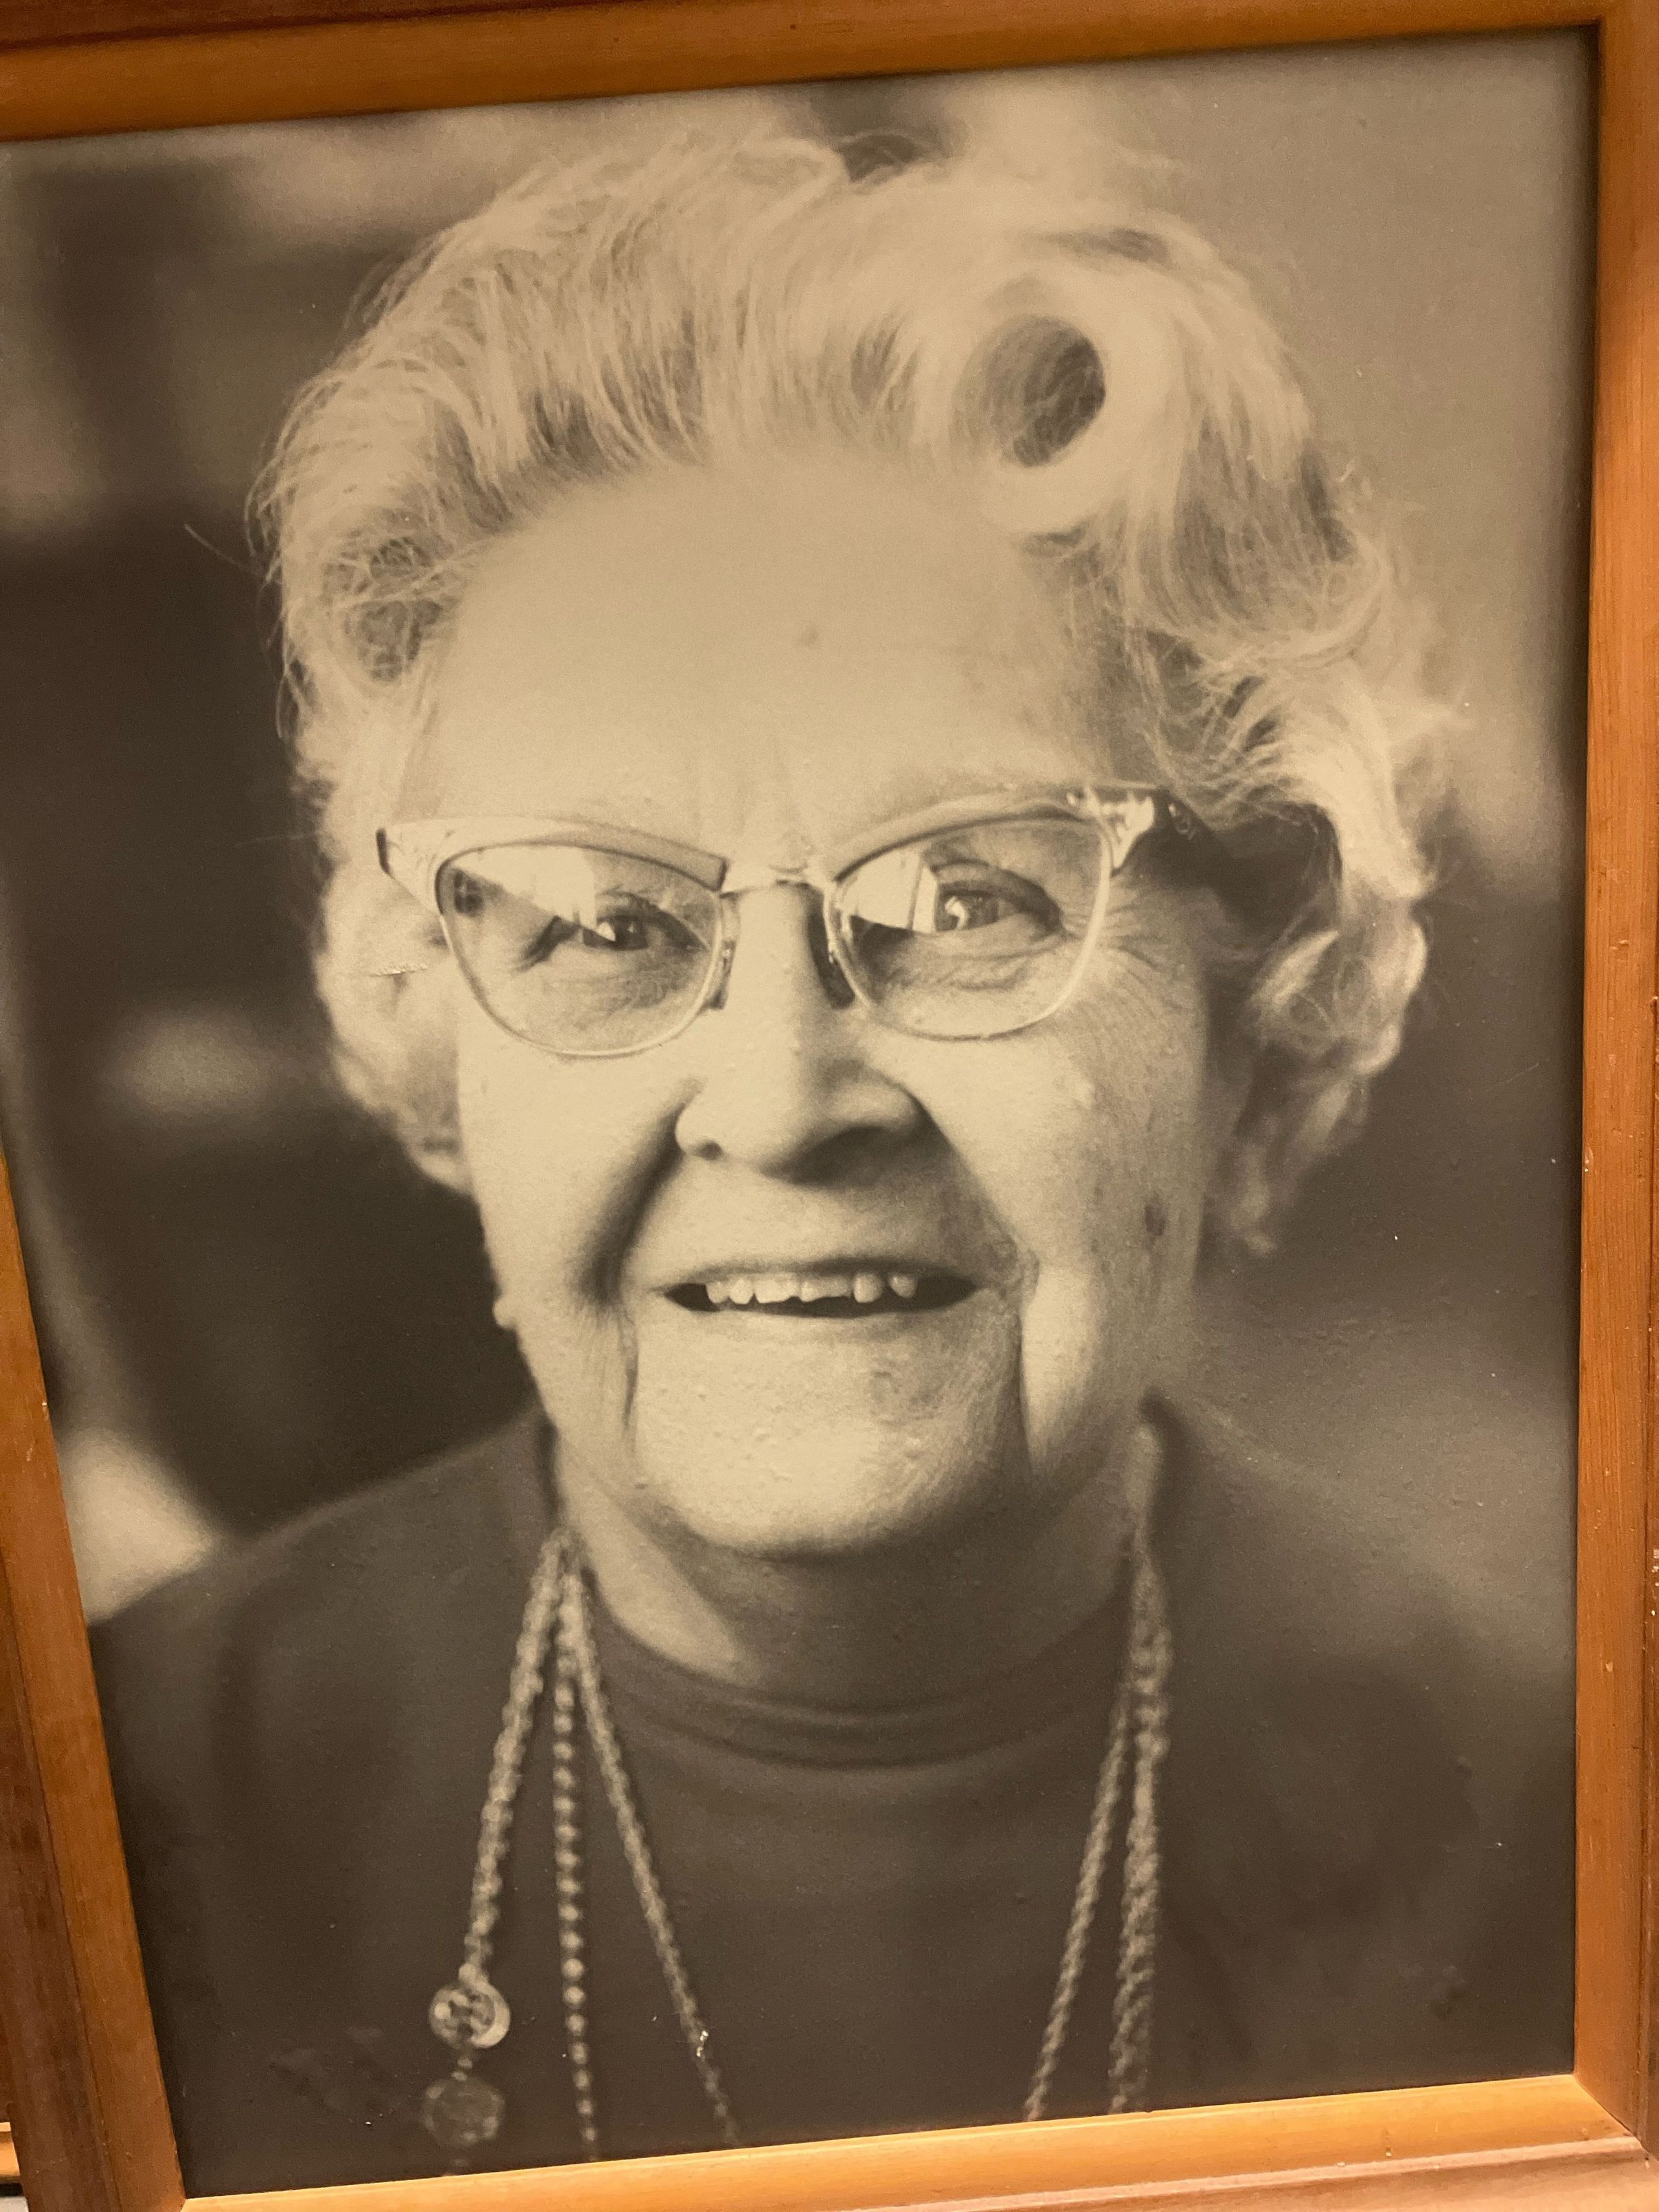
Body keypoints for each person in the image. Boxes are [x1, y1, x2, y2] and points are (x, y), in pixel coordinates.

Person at [93, 127, 1572, 2195]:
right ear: (438, 1042)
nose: (782, 1100)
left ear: (1251, 1014)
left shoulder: (1569, 1829)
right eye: (605, 922)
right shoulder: (102, 1818)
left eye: (970, 900)